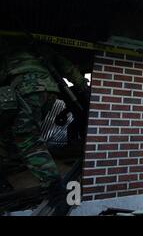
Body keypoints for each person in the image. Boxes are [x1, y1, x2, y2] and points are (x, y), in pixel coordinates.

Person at [0, 34, 88, 191]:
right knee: (13, 133)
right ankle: (14, 166)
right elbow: (67, 67)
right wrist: (83, 88)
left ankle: (52, 182)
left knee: (27, 137)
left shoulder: (8, 50)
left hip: (26, 90)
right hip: (49, 91)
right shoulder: (41, 48)